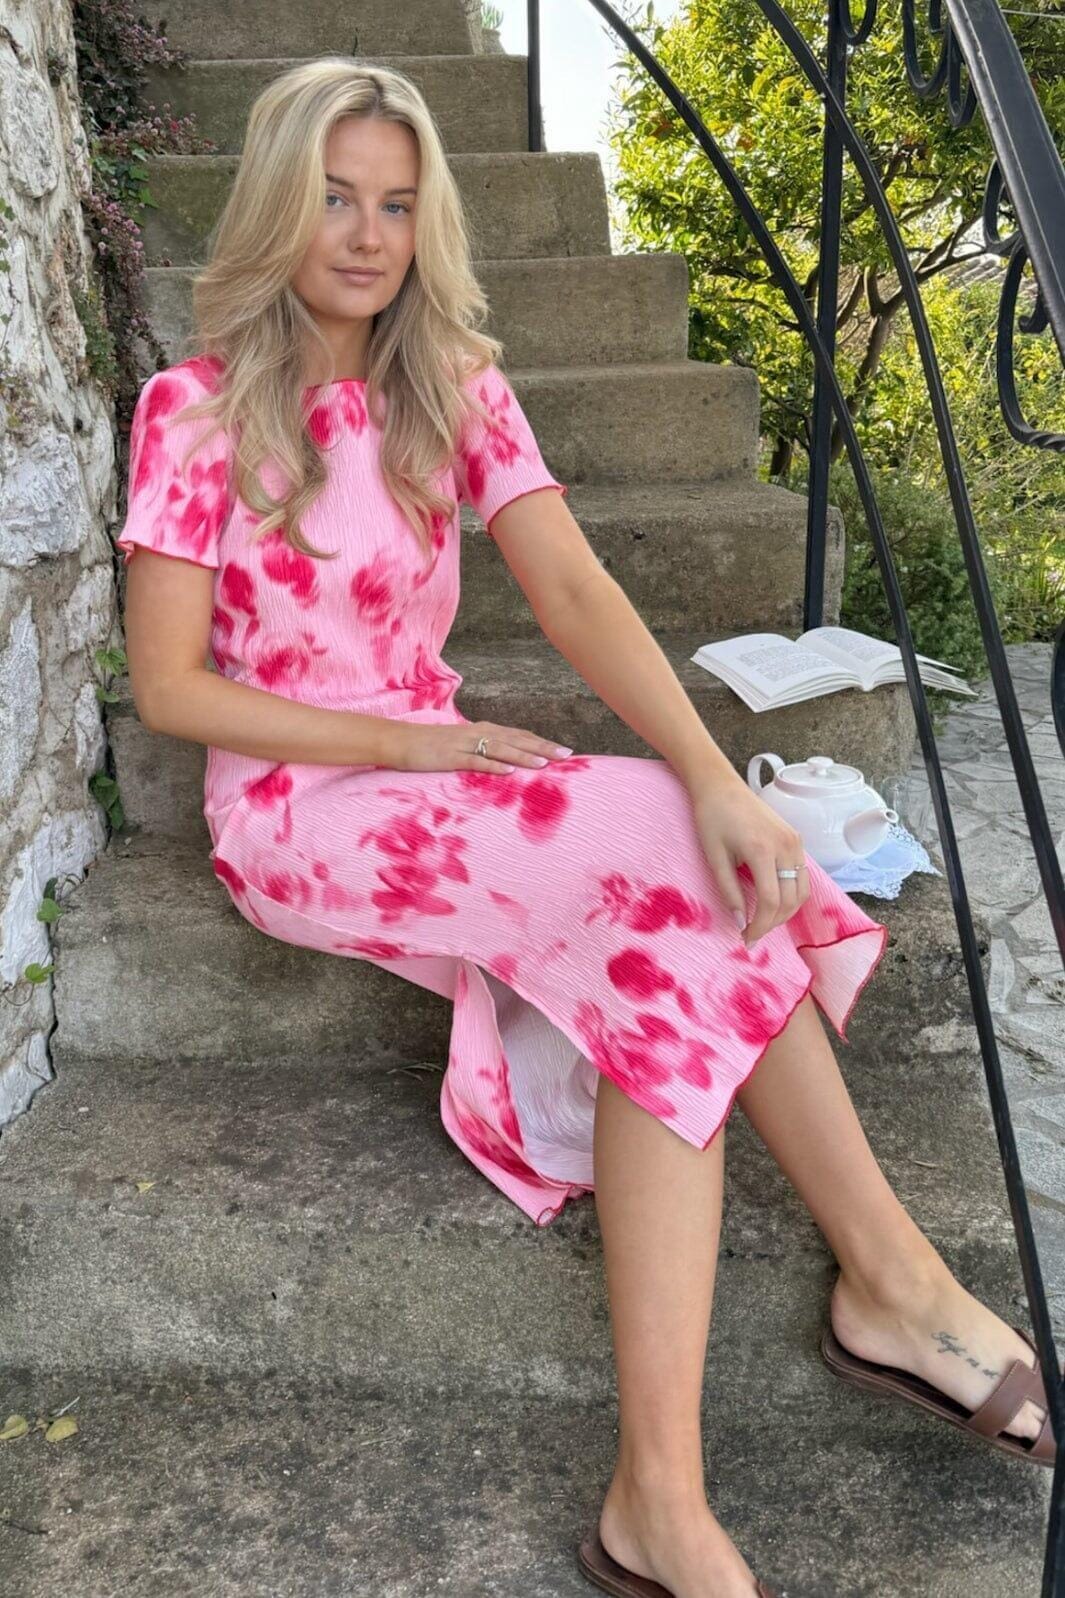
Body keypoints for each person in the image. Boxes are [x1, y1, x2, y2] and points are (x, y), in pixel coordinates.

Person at [115, 57, 1056, 1598]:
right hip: (298, 809)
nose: (366, 234)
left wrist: (715, 774)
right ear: (278, 202)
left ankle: (668, 1490)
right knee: (660, 873)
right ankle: (879, 1289)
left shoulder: (450, 388)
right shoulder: (192, 410)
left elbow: (570, 585)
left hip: (432, 775)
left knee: (678, 853)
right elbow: (168, 690)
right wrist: (412, 740)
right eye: (335, 198)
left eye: (397, 204)